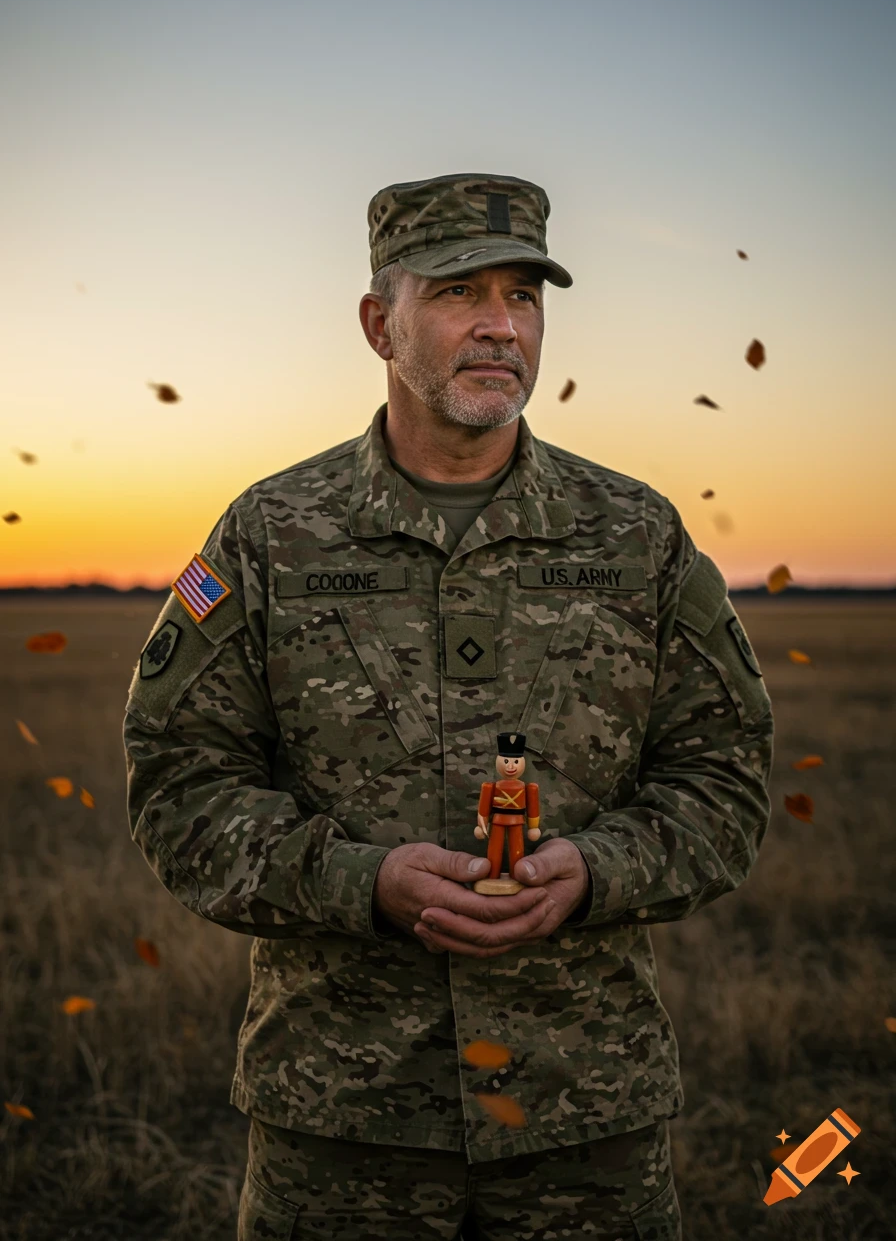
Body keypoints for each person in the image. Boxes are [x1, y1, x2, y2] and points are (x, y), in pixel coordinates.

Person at [123, 172, 775, 1240]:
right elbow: (178, 780)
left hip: (582, 1117)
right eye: (458, 290)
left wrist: (598, 868)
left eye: (522, 294)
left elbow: (724, 772)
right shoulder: (271, 532)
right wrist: (358, 878)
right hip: (342, 1124)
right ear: (381, 322)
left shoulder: (634, 534)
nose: (498, 325)